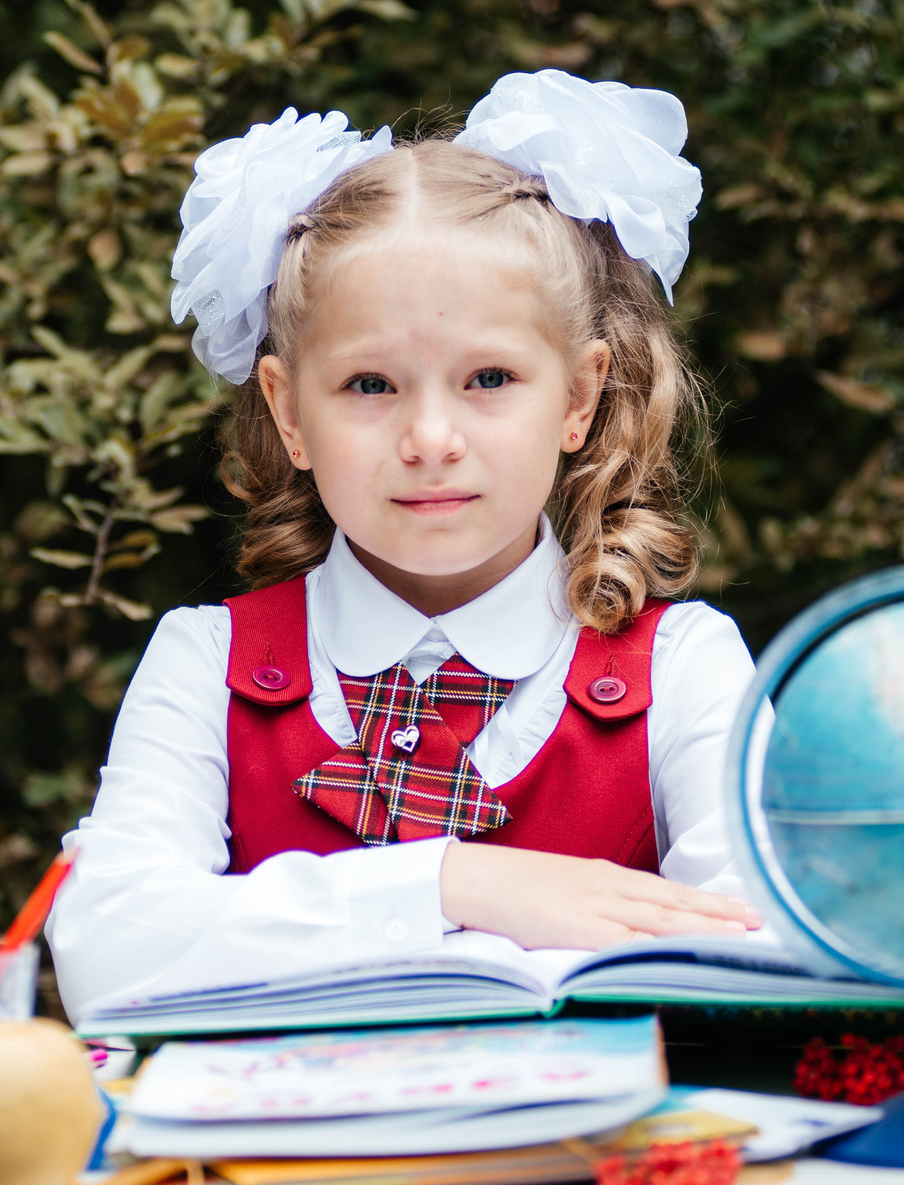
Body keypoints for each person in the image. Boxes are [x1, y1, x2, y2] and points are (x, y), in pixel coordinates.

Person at [47, 69, 763, 1025]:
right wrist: (452, 884)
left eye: (490, 377)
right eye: (371, 385)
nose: (431, 437)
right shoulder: (204, 663)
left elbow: (754, 952)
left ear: (581, 398)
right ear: (288, 410)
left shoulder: (683, 670)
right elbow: (106, 951)